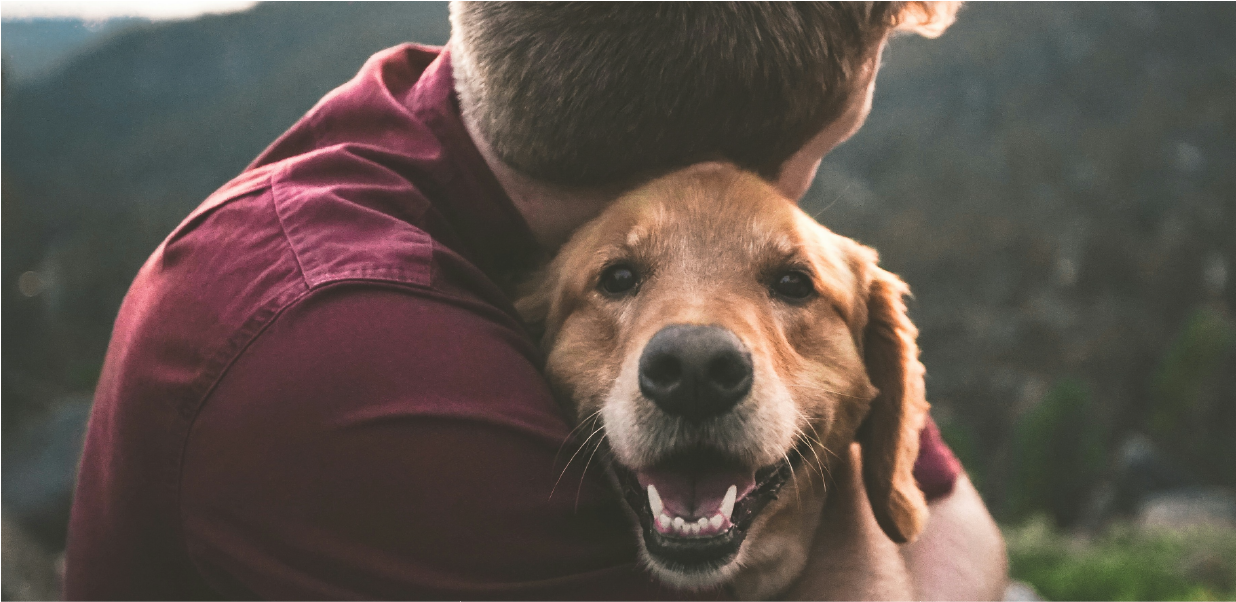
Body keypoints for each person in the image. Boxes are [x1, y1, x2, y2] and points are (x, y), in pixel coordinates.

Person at [64, 2, 1006, 599]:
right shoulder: (348, 360)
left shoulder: (458, 126)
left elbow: (951, 519)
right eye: (827, 147)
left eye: (789, 277)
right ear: (717, 167)